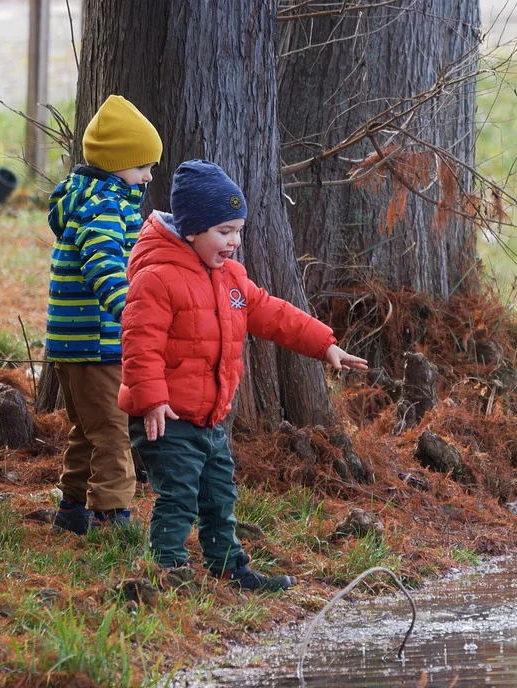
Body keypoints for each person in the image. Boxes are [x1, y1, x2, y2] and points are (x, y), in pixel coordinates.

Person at [119, 160, 368, 591]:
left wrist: (325, 344)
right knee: (178, 496)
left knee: (219, 495)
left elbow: (272, 313)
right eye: (224, 231)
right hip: (166, 418)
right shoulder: (156, 278)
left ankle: (229, 569)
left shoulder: (230, 277)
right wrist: (152, 399)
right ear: (193, 230)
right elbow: (140, 344)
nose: (234, 241)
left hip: (211, 417)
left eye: (238, 230)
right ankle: (167, 572)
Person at [45, 95, 162, 535]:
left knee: (86, 430)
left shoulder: (83, 200)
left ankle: (72, 509)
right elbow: (103, 264)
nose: (148, 176)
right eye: (141, 167)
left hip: (70, 344)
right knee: (113, 432)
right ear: (116, 166)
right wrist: (130, 309)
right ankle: (113, 518)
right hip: (99, 341)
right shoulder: (106, 208)